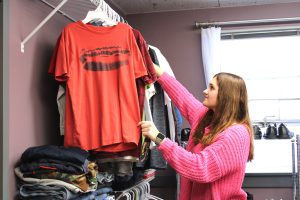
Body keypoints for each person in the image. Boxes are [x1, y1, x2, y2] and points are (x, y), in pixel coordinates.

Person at [139, 64, 254, 200]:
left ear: (226, 96)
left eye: (211, 88)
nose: (205, 91)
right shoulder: (206, 117)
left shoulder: (236, 135)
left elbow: (200, 167)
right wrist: (156, 69)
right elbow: (183, 97)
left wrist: (159, 139)